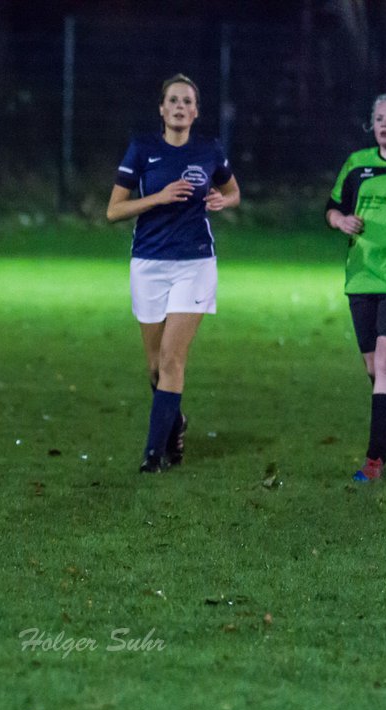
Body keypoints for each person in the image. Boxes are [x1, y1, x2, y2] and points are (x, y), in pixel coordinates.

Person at [107, 74, 241, 473]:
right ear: (162, 109)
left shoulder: (209, 149)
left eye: (187, 101)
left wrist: (223, 199)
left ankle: (154, 453)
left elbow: (234, 192)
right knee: (154, 366)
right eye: (173, 101)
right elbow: (113, 210)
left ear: (196, 112)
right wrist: (158, 197)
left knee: (172, 358)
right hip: (149, 264)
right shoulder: (142, 149)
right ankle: (175, 422)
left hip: (195, 264)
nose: (180, 106)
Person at [326, 94, 386, 481]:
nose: (385, 124)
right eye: (379, 118)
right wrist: (340, 221)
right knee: (376, 371)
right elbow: (331, 208)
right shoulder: (358, 165)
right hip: (361, 277)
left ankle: (374, 461)